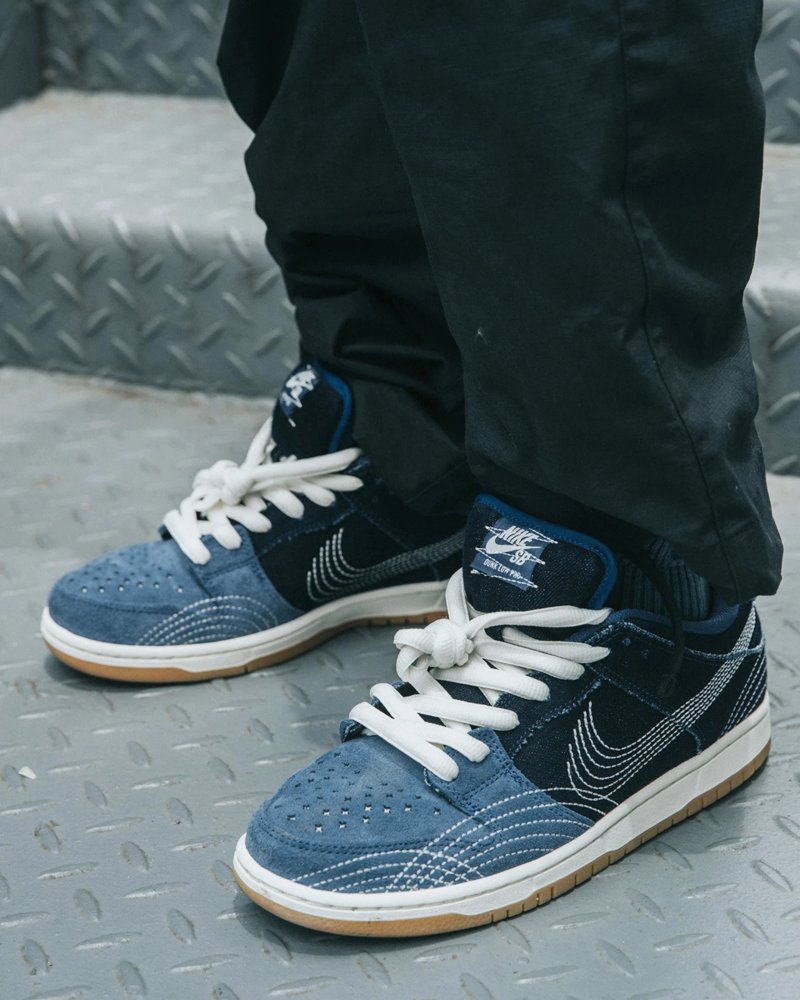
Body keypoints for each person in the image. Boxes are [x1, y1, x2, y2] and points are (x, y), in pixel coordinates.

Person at [41, 1, 781, 936]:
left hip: (642, 566)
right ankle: (405, 446)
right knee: (335, 36)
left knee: (557, 43)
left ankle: (651, 607)